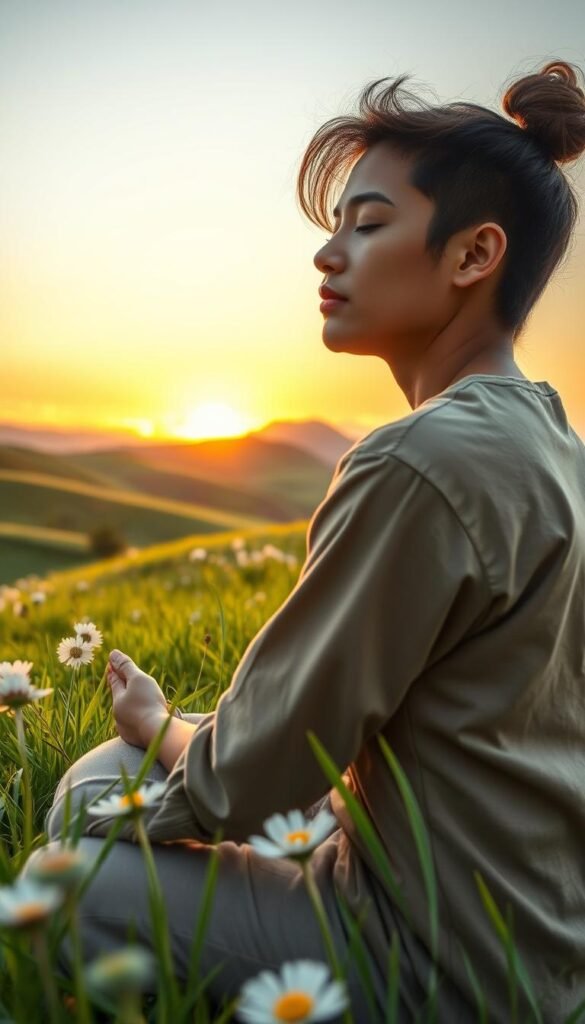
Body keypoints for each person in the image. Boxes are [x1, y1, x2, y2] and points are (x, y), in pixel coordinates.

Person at [23, 58, 585, 1022]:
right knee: (104, 783)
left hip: (432, 960)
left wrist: (161, 729)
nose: (328, 256)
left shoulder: (419, 462)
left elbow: (259, 770)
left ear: (472, 254)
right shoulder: (549, 441)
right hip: (533, 927)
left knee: (67, 854)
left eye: (367, 225)